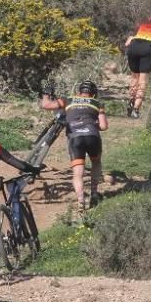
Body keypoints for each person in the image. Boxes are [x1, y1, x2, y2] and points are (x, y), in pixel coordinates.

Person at [40, 80, 109, 213]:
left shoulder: (68, 100)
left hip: (75, 138)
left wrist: (47, 93)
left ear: (78, 92)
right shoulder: (97, 103)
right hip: (92, 136)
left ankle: (81, 201)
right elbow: (104, 126)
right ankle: (94, 193)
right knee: (96, 162)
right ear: (94, 94)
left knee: (78, 173)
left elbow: (46, 105)